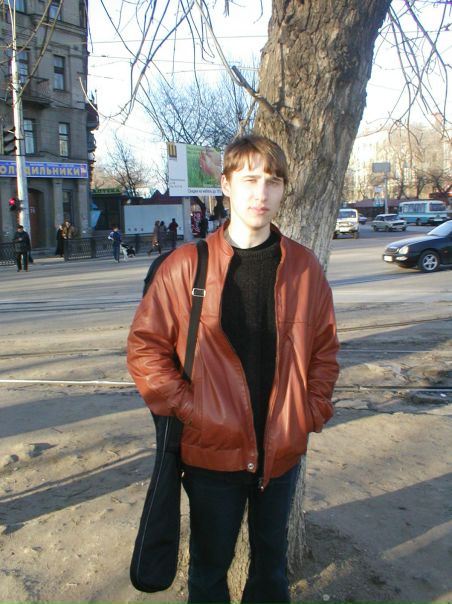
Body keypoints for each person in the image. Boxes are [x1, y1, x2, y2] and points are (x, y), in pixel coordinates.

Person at [127, 135, 339, 604]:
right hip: (211, 455)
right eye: (249, 179)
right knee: (208, 572)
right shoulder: (186, 267)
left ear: (283, 190)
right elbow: (145, 350)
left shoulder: (304, 268)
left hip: (281, 453)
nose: (261, 193)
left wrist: (310, 412)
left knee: (271, 571)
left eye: (273, 181)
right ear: (225, 185)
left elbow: (324, 350)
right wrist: (194, 411)